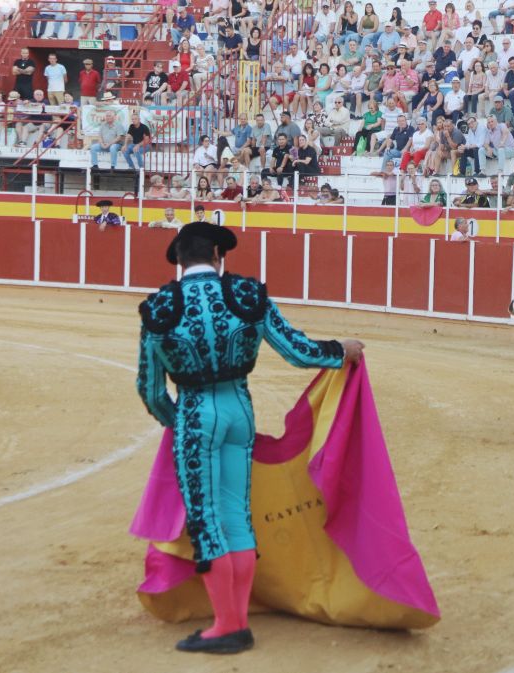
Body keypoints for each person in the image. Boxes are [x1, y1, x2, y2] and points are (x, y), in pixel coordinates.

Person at [137, 222, 364, 655]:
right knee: (237, 514)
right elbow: (296, 350)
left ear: (180, 263)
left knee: (206, 519)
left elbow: (148, 389)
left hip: (195, 412)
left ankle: (227, 627)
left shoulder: (160, 306)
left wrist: (177, 424)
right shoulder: (246, 294)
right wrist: (341, 349)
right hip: (240, 408)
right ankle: (235, 621)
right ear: (219, 258)